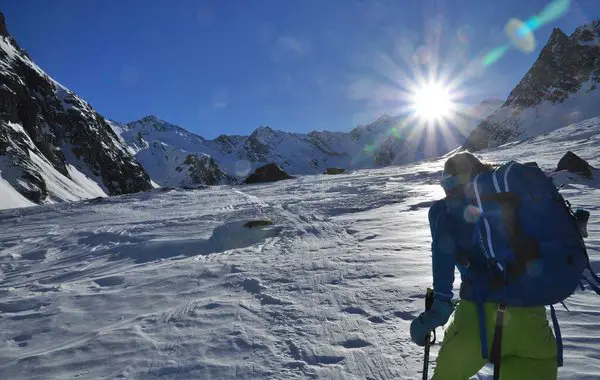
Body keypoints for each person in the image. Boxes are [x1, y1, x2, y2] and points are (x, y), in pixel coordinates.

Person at [410, 152, 557, 380]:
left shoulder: (444, 210)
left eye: (445, 182)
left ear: (452, 180)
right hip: (533, 321)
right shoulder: (513, 199)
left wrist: (437, 312)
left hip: (477, 320)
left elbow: (443, 255)